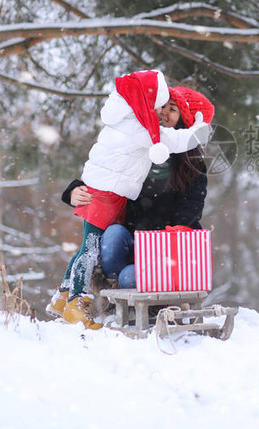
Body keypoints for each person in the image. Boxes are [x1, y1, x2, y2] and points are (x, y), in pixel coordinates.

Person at [49, 85, 215, 328]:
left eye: (173, 109)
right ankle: (108, 297)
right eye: (162, 106)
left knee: (131, 277)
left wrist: (159, 236)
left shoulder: (191, 163)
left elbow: (191, 209)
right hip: (128, 241)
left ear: (185, 120)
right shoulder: (138, 142)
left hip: (164, 250)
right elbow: (105, 172)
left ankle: (146, 297)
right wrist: (73, 190)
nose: (164, 114)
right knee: (113, 236)